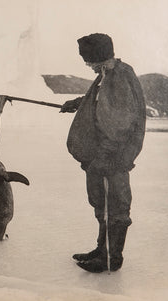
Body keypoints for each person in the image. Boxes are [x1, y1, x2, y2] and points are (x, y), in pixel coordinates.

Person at [60, 33, 146, 272]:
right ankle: (102, 250)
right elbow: (101, 101)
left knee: (116, 206)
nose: (86, 64)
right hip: (100, 154)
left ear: (100, 57)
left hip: (114, 156)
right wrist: (77, 103)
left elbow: (120, 121)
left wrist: (106, 155)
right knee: (101, 202)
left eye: (88, 60)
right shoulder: (105, 75)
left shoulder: (120, 76)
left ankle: (111, 258)